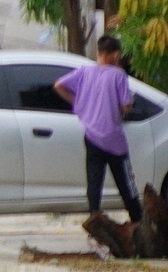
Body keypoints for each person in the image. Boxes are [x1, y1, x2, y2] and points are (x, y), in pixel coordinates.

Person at [54, 34, 144, 223]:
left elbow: (59, 85)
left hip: (91, 136)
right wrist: (129, 102)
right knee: (125, 183)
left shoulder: (84, 72)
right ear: (116, 54)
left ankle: (95, 218)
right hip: (113, 139)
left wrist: (78, 102)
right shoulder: (118, 75)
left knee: (94, 182)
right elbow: (126, 106)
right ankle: (137, 219)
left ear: (98, 53)